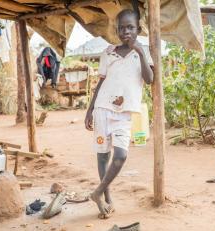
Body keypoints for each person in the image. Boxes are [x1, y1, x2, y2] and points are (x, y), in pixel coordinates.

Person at [84, 9, 154, 219]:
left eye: (130, 27)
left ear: (138, 29)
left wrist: (140, 51)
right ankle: (106, 198)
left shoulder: (144, 51)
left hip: (125, 112)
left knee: (121, 156)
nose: (126, 32)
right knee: (103, 155)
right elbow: (101, 83)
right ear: (117, 30)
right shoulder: (109, 52)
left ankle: (96, 192)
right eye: (122, 28)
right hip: (103, 108)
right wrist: (89, 110)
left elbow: (150, 79)